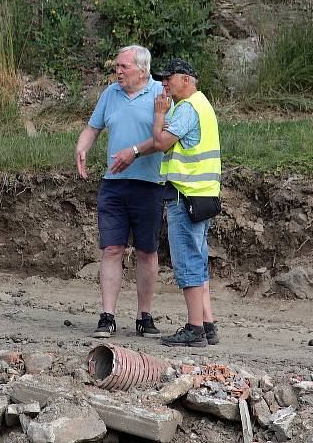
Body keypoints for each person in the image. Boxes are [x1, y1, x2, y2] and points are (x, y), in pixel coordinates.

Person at [75, 45, 167, 339]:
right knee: (112, 249)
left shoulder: (160, 95)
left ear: (142, 69)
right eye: (117, 66)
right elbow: (93, 127)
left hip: (149, 185)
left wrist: (135, 152)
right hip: (113, 184)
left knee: (146, 251)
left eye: (123, 67)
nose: (118, 71)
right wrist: (82, 147)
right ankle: (107, 316)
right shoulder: (110, 94)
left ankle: (144, 316)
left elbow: (165, 139)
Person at [151, 58, 221, 348]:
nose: (164, 83)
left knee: (188, 262)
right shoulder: (202, 104)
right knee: (199, 259)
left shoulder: (188, 108)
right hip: (202, 195)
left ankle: (194, 329)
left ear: (186, 80)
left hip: (185, 196)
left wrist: (159, 115)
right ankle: (207, 324)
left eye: (169, 78)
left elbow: (160, 143)